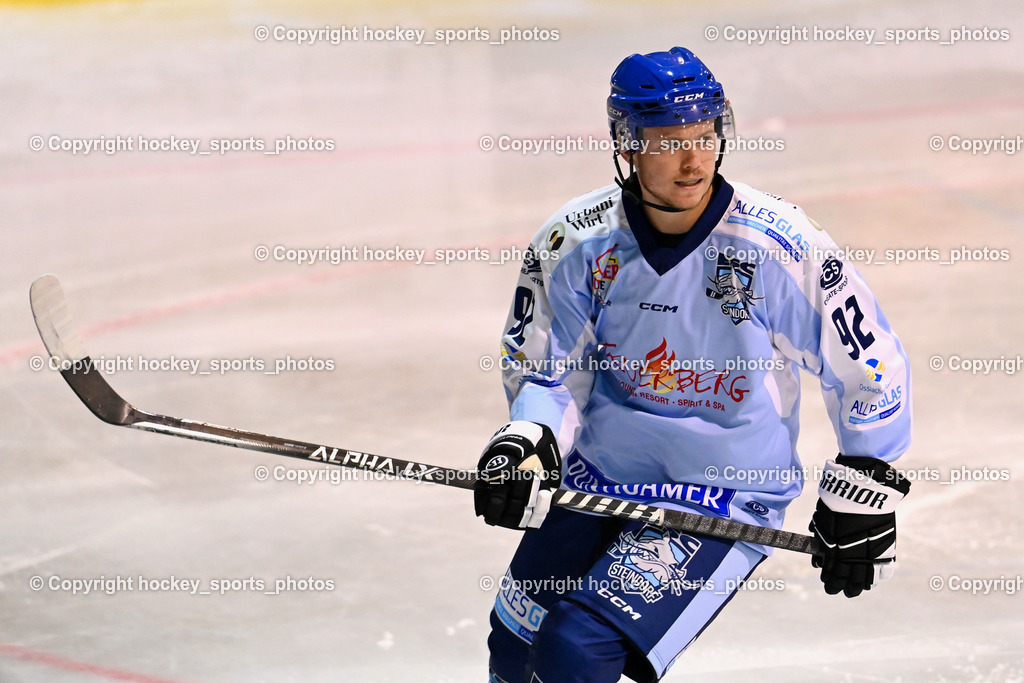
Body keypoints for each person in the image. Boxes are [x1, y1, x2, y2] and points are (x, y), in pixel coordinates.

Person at [474, 46, 912, 683]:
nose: (694, 159)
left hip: (723, 493)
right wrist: (527, 442)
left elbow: (867, 363)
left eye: (706, 135)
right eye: (669, 140)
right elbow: (548, 370)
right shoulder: (578, 242)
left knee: (575, 648)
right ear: (627, 144)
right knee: (514, 643)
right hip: (600, 478)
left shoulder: (778, 245)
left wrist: (864, 481)